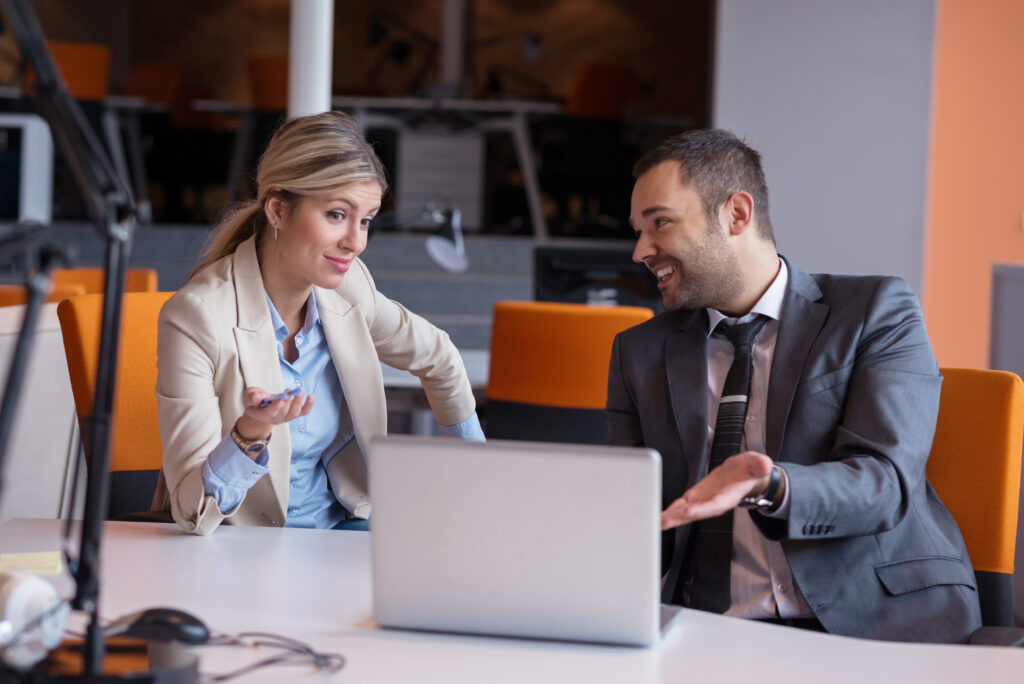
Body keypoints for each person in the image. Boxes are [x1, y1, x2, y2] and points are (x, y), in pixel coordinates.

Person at [606, 129, 982, 642]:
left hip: (870, 623)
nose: (640, 251)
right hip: (708, 632)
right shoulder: (639, 353)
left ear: (737, 214)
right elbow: (627, 511)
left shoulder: (874, 311)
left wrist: (770, 486)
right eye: (637, 230)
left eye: (661, 224)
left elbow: (885, 484)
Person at [152, 111, 483, 536]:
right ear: (277, 209)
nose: (355, 243)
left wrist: (477, 481)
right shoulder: (198, 317)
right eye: (336, 215)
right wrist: (250, 433)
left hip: (343, 531)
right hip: (244, 543)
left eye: (365, 220)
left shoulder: (349, 290)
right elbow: (191, 509)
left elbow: (439, 357)